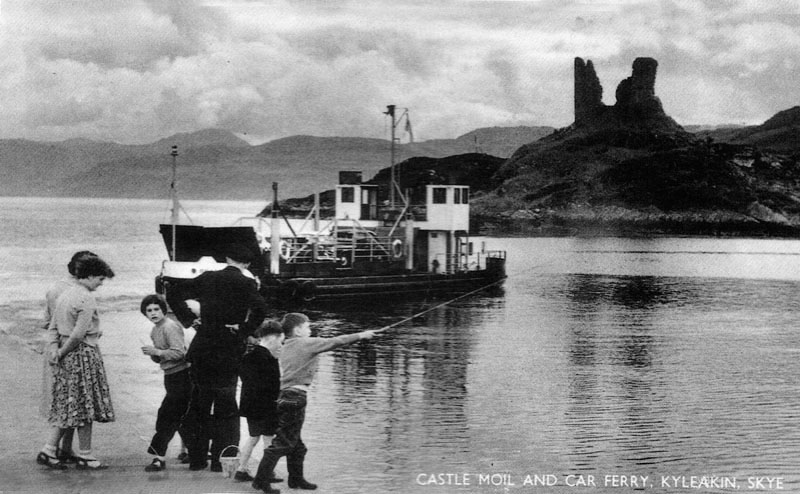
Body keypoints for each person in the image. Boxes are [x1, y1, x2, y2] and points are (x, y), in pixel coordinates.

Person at [166, 243, 268, 472]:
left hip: (203, 345)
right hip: (228, 348)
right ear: (247, 264)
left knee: (199, 404)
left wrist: (189, 319)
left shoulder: (207, 278)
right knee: (226, 406)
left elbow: (172, 291)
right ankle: (222, 459)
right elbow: (261, 309)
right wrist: (243, 329)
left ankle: (197, 459)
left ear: (227, 258)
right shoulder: (246, 282)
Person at [252, 313, 377, 493]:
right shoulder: (305, 343)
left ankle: (295, 480)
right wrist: (361, 335)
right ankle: (260, 481)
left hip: (285, 396)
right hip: (296, 397)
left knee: (297, 445)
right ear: (297, 330)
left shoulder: (285, 345)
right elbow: (336, 341)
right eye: (307, 327)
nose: (310, 330)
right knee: (284, 443)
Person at [37, 256, 115, 470]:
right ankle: (85, 454)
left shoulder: (66, 294)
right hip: (82, 356)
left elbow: (52, 327)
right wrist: (62, 351)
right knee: (85, 405)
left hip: (65, 356)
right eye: (100, 279)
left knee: (68, 404)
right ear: (89, 276)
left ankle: (49, 449)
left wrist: (55, 351)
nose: (100, 284)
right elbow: (78, 335)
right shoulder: (86, 298)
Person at [139, 294, 191, 472]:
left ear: (163, 310)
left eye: (156, 309)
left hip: (182, 377)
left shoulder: (170, 326)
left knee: (167, 416)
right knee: (179, 417)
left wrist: (157, 352)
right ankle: (195, 452)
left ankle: (158, 457)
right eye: (149, 310)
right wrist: (154, 354)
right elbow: (163, 358)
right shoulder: (155, 330)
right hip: (170, 377)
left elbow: (179, 353)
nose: (153, 313)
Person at [234, 319, 284, 483]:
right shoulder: (269, 359)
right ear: (274, 338)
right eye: (280, 341)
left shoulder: (248, 356)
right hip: (266, 405)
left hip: (250, 405)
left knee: (254, 437)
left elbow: (248, 381)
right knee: (269, 438)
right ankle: (267, 473)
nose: (281, 346)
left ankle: (241, 469)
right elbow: (272, 385)